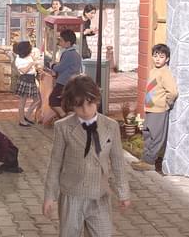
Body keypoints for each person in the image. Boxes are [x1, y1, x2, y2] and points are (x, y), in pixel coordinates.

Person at [42, 75, 130, 237]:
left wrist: (123, 192)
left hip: (99, 195)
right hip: (72, 195)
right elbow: (55, 163)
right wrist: (49, 196)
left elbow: (118, 161)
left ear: (97, 100)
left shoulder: (111, 126)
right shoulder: (63, 127)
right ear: (71, 105)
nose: (86, 110)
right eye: (79, 106)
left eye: (90, 104)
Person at [131, 43, 178, 172]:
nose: (157, 59)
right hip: (150, 109)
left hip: (159, 110)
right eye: (155, 56)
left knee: (156, 136)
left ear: (167, 59)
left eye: (161, 57)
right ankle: (144, 158)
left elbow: (173, 92)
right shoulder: (153, 71)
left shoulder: (165, 73)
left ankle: (150, 162)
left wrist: (167, 104)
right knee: (147, 133)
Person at [48, 29, 82, 119]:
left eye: (61, 40)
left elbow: (60, 67)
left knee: (53, 100)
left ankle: (64, 117)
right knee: (66, 102)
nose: (60, 42)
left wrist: (52, 65)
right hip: (72, 81)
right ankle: (66, 117)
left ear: (68, 43)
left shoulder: (68, 54)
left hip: (63, 81)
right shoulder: (76, 54)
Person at [13, 41, 42, 127]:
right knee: (22, 102)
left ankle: (26, 116)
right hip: (25, 80)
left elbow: (34, 66)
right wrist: (32, 63)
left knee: (37, 99)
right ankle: (22, 120)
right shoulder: (18, 59)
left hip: (31, 79)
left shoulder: (29, 56)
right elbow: (23, 71)